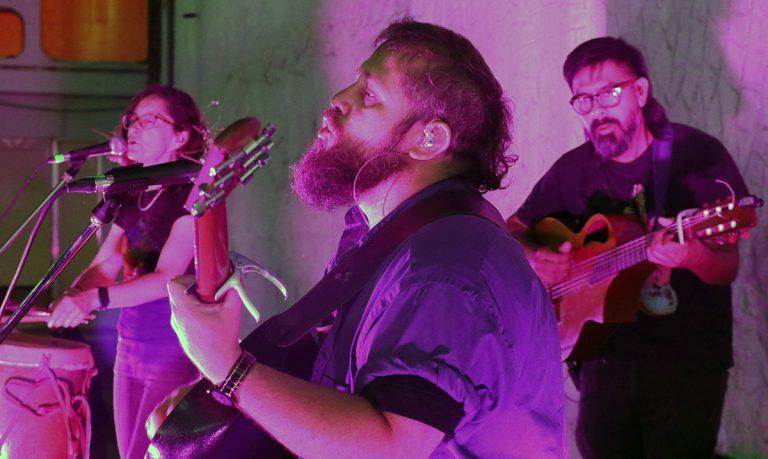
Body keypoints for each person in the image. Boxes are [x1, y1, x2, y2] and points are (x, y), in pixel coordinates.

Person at [167, 19, 565, 458]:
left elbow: (388, 446)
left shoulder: (447, 267)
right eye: (354, 84)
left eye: (370, 94)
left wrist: (228, 368)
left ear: (428, 139)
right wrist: (225, 405)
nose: (338, 100)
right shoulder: (382, 236)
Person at [506, 37, 750, 458]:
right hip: (603, 359)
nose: (597, 110)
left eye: (609, 94)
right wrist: (535, 258)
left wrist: (693, 255)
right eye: (583, 100)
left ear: (640, 91)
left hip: (686, 361)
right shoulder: (575, 170)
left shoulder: (698, 155)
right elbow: (512, 228)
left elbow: (727, 267)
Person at [48, 84, 208, 459]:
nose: (133, 128)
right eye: (132, 120)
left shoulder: (193, 193)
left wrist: (92, 299)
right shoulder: (132, 192)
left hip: (172, 347)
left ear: (181, 136)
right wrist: (75, 295)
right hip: (130, 344)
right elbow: (106, 264)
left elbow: (168, 277)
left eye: (150, 120)